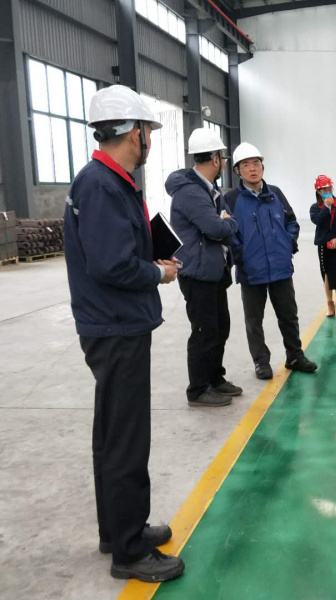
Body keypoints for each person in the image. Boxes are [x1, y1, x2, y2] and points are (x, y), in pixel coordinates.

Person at [63, 84, 184, 582]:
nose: (149, 139)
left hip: (115, 322)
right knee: (127, 439)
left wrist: (148, 260)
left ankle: (118, 530)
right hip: (115, 326)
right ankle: (130, 552)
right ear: (135, 133)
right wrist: (157, 273)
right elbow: (111, 264)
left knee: (113, 433)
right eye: (148, 131)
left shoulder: (110, 180)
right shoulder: (101, 185)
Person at [225, 142, 318, 379]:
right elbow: (228, 233)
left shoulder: (275, 193)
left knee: (289, 315)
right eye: (246, 165)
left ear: (262, 167)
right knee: (254, 320)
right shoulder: (232, 199)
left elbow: (292, 222)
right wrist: (241, 257)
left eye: (256, 163)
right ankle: (261, 361)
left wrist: (287, 246)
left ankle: (295, 355)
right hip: (251, 270)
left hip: (280, 267)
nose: (252, 169)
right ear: (238, 170)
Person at [167, 128, 241, 407]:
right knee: (203, 331)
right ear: (215, 159)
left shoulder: (208, 189)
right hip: (197, 274)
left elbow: (220, 226)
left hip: (213, 270)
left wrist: (224, 223)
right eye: (222, 157)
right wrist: (228, 223)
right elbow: (216, 228)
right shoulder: (190, 192)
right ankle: (198, 389)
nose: (223, 162)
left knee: (220, 328)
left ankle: (215, 378)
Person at [310, 175, 336, 318]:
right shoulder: (315, 207)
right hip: (324, 245)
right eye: (324, 189)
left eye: (329, 188)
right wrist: (326, 207)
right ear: (318, 191)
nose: (327, 191)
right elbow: (318, 221)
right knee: (327, 275)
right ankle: (330, 304)